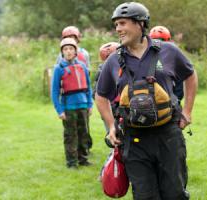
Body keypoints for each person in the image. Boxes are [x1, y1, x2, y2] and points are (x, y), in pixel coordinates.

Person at [95, 2, 198, 199]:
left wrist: (187, 111)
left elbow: (190, 75)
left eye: (123, 23)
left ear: (140, 24)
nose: (118, 29)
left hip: (168, 135)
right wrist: (111, 126)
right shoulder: (113, 60)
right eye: (116, 25)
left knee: (174, 193)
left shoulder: (168, 51)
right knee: (144, 196)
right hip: (134, 140)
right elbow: (100, 96)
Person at [51, 37, 93, 169]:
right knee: (70, 135)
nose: (68, 51)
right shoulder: (59, 68)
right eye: (65, 49)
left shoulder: (82, 67)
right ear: (62, 52)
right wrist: (59, 110)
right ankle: (72, 162)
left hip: (83, 106)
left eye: (71, 49)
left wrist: (90, 104)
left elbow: (89, 87)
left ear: (75, 51)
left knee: (84, 133)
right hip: (68, 107)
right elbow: (54, 92)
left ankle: (83, 159)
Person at [149, 25, 184, 104]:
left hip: (169, 102)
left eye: (161, 41)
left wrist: (175, 101)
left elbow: (179, 87)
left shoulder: (174, 58)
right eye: (155, 41)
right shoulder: (144, 57)